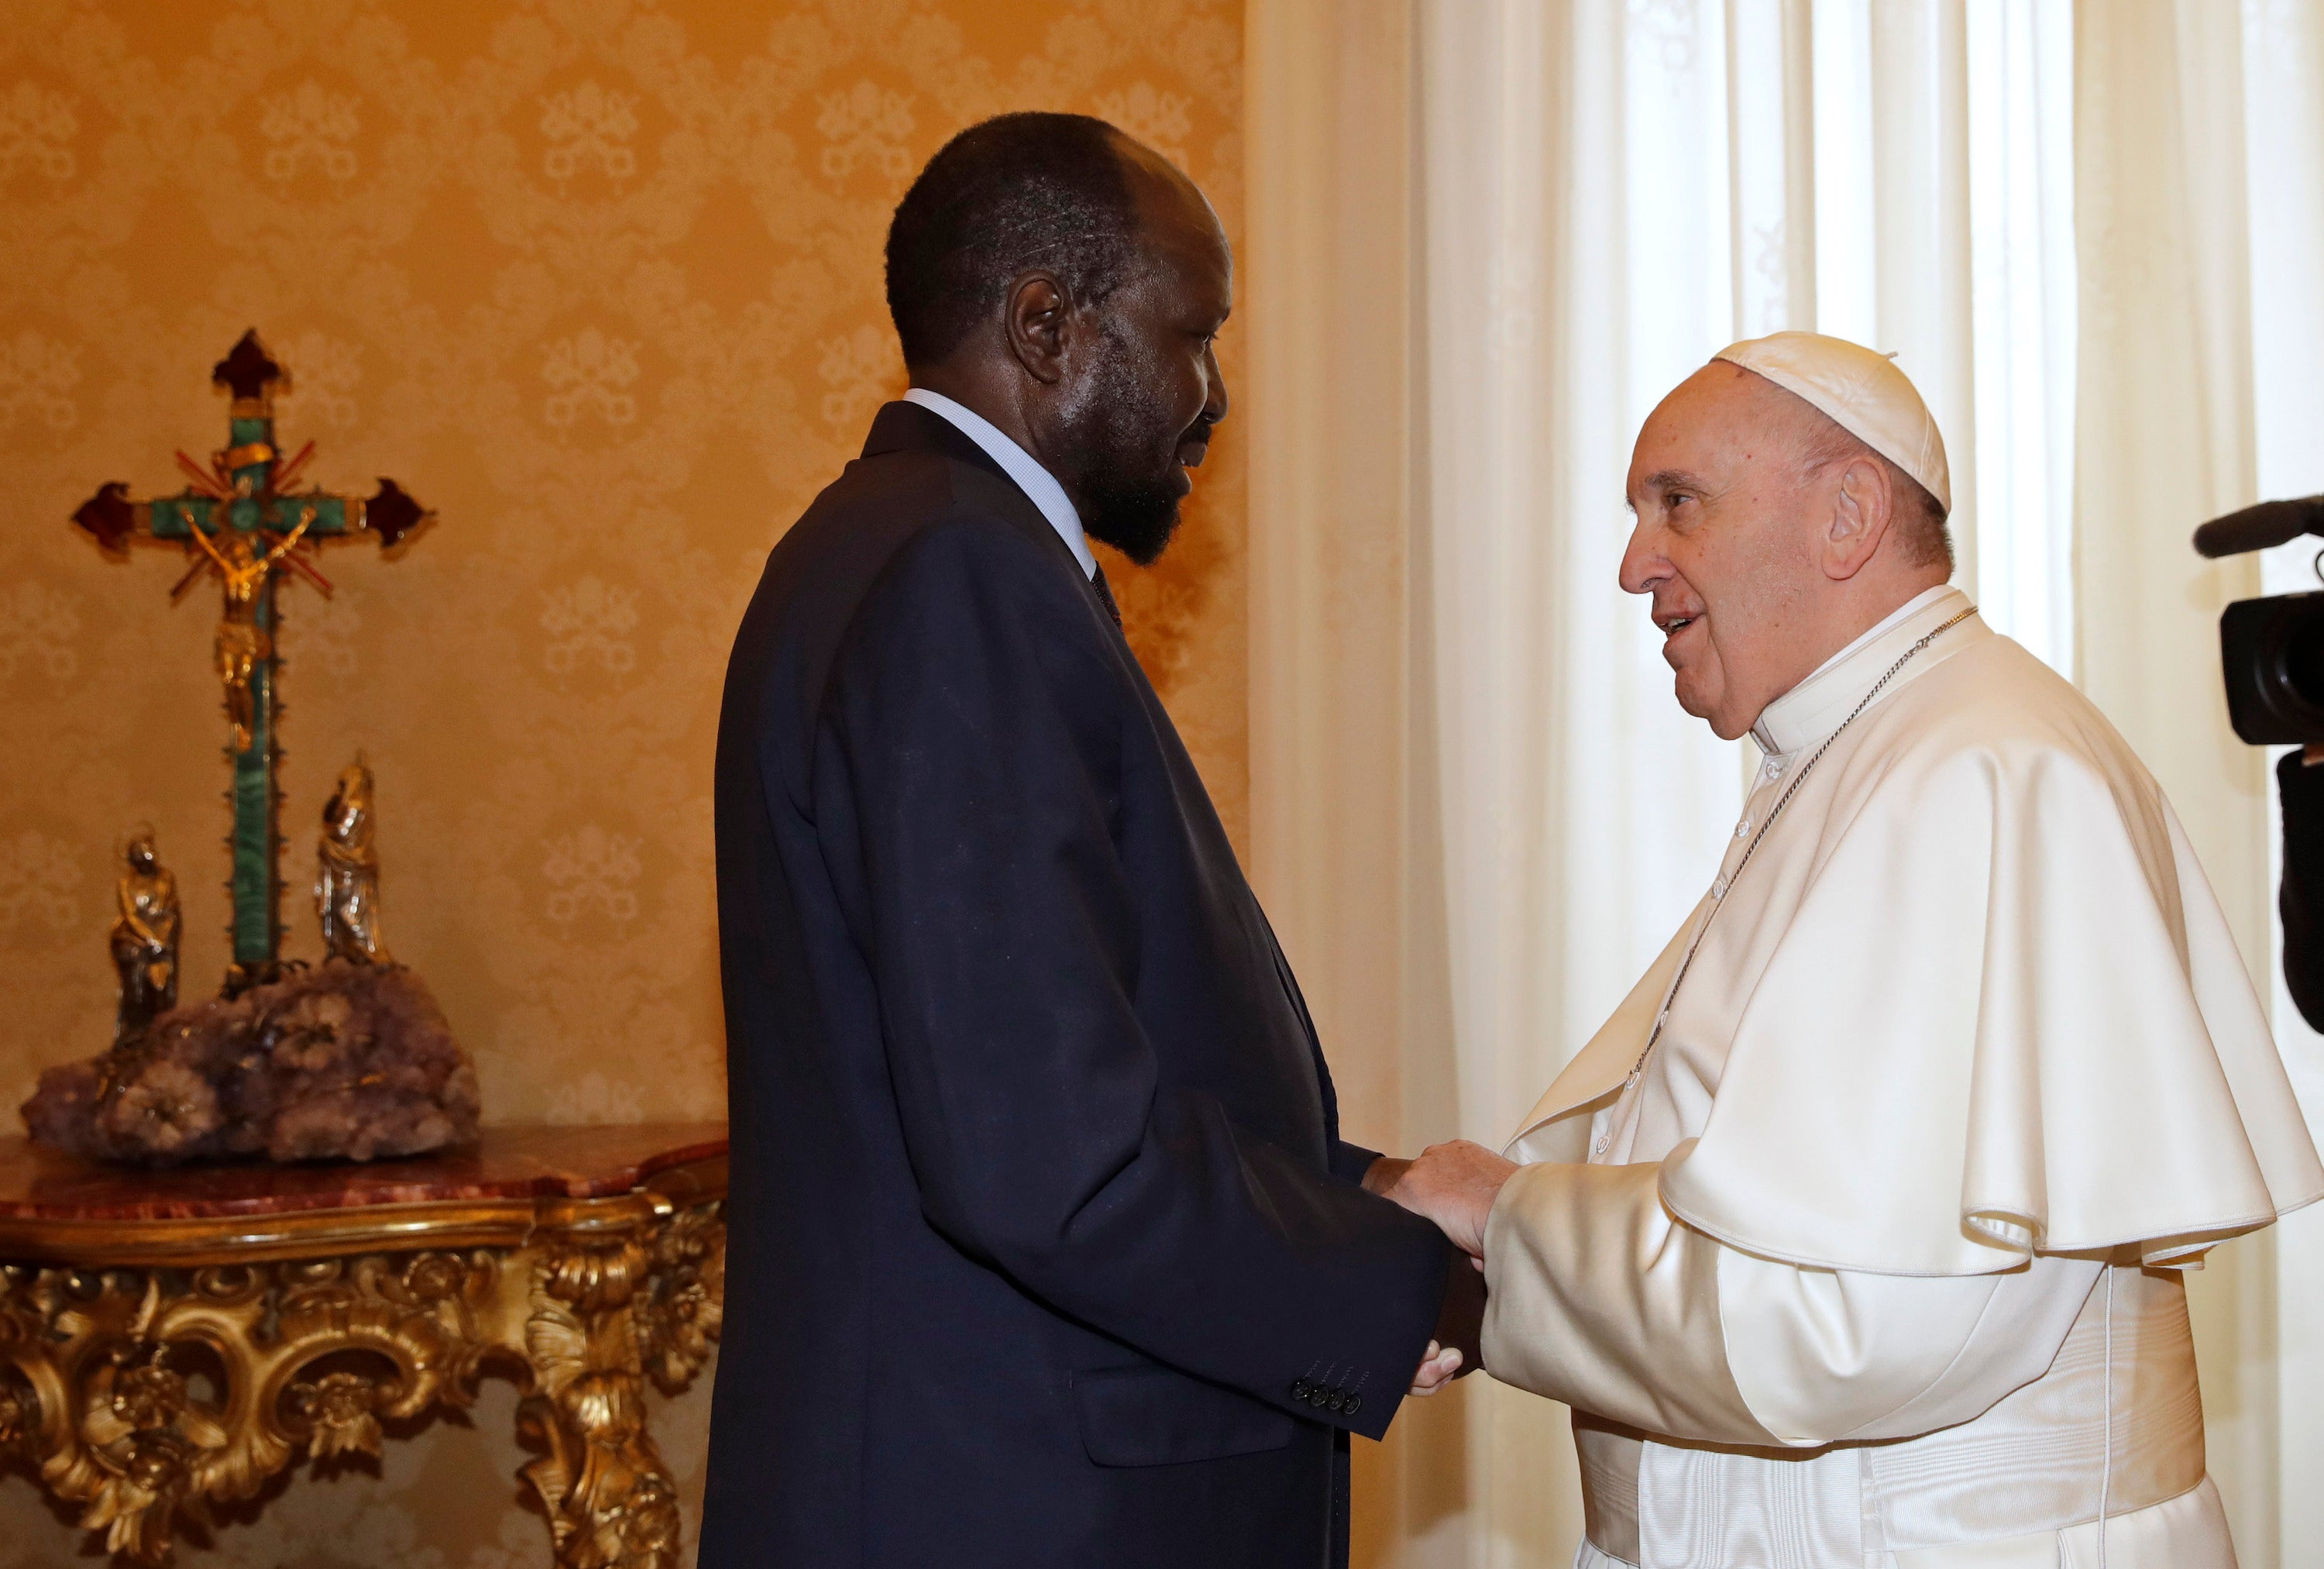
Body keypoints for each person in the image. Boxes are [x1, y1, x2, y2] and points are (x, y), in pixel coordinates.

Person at [1384, 332, 2324, 1566]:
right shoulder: (1872, 753)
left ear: (1846, 514)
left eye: (1679, 503)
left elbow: (1842, 1319)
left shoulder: (1977, 771)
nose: (1632, 564)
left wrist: (1506, 1225)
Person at [703, 112, 1478, 1569]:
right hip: (1010, 1508)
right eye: (1192, 333)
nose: (1213, 394)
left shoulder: (908, 548)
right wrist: (1397, 1288)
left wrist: (1352, 1186)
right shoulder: (959, 579)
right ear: (1048, 324)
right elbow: (1046, 1155)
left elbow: (1042, 1060)